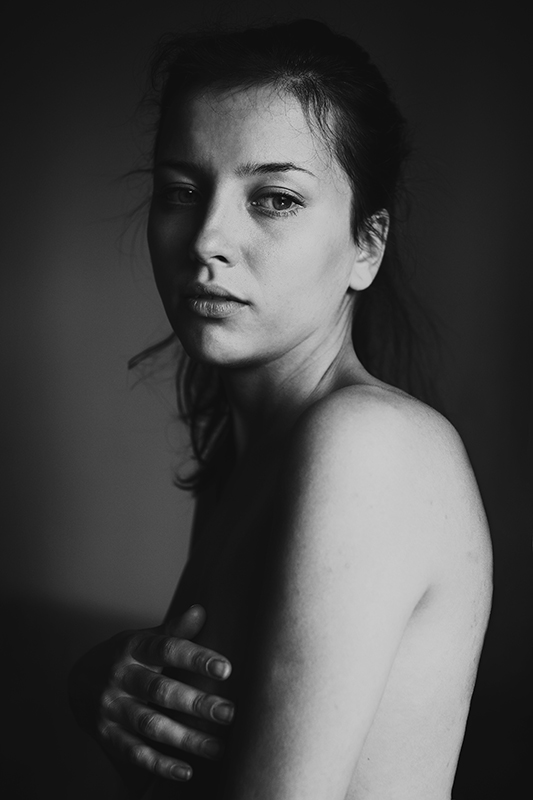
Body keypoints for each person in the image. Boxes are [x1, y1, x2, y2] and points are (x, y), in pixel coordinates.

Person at [68, 19, 493, 800]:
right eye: (181, 192)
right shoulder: (249, 456)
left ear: (366, 246)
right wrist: (95, 678)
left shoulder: (368, 445)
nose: (207, 238)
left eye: (274, 198)